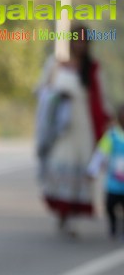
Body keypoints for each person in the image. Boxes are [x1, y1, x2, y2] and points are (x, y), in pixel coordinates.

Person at [35, 25, 111, 237]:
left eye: (83, 41)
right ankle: (62, 213)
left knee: (81, 168)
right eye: (76, 40)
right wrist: (56, 95)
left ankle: (72, 215)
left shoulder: (93, 68)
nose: (79, 45)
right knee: (60, 165)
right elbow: (41, 90)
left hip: (82, 125)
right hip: (61, 127)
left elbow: (100, 99)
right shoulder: (56, 65)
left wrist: (106, 122)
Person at [87, 104, 124, 240]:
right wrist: (92, 170)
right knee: (110, 207)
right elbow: (100, 154)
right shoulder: (112, 136)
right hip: (114, 182)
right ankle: (113, 228)